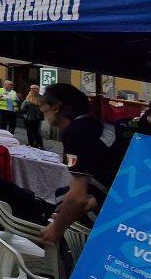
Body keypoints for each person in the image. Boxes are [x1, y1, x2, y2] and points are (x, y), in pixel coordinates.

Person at [39, 83, 131, 245]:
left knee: (62, 212)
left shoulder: (75, 133)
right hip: (123, 194)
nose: (41, 110)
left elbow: (78, 196)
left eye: (43, 104)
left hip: (116, 208)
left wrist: (55, 230)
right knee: (63, 199)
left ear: (56, 107)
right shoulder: (90, 124)